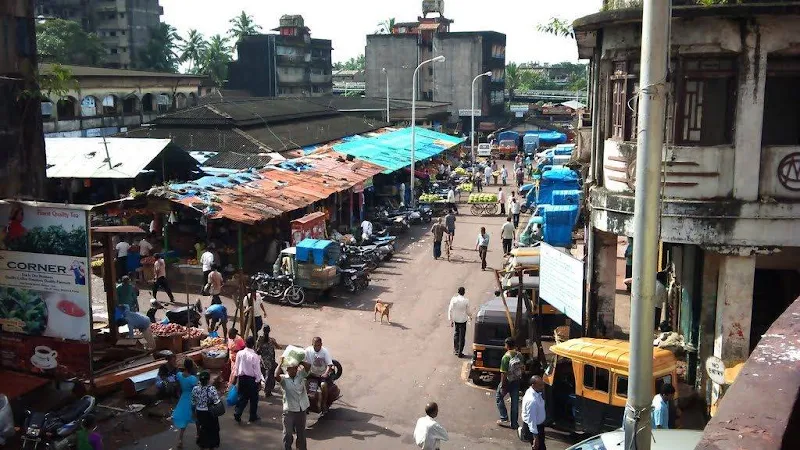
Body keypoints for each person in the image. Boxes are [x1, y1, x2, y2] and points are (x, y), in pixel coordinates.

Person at [276, 356, 312, 450]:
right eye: (292, 369)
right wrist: (280, 363)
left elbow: (308, 367)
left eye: (296, 368)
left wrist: (300, 361)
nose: (295, 370)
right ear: (287, 369)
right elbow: (276, 375)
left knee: (301, 435)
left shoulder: (300, 375)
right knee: (287, 435)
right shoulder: (284, 379)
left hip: (301, 410)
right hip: (289, 412)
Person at [233, 336, 263, 424]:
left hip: (241, 378)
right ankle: (252, 416)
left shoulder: (239, 353)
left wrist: (235, 377)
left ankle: (238, 412)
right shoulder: (255, 356)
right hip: (251, 380)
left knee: (242, 397)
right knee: (254, 398)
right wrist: (259, 381)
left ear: (245, 343)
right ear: (253, 345)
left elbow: (236, 366)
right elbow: (257, 371)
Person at [304, 336, 335, 415]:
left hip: (322, 375)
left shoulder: (325, 351)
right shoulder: (308, 350)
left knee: (323, 385)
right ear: (312, 344)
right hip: (311, 373)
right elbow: (302, 359)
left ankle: (324, 404)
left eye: (318, 345)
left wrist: (325, 373)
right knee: (304, 385)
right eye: (315, 345)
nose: (316, 347)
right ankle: (306, 405)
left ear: (321, 344)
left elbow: (329, 364)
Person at [497, 338, 523, 430]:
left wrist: (503, 386)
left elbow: (503, 373)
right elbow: (522, 368)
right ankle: (514, 423)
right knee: (515, 403)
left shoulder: (506, 357)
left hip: (507, 381)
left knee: (499, 397)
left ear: (507, 345)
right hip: (516, 381)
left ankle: (504, 418)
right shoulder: (519, 355)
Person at [192, 371, 221, 450]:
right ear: (208, 379)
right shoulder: (211, 389)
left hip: (199, 412)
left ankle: (203, 444)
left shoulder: (195, 389)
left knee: (203, 428)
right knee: (213, 429)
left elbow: (193, 402)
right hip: (210, 412)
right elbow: (216, 401)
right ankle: (212, 446)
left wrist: (193, 413)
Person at [173, 359, 198, 448]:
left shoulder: (179, 375)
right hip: (191, 398)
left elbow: (177, 384)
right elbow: (196, 390)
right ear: (191, 367)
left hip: (183, 397)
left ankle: (180, 439)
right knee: (196, 417)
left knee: (184, 420)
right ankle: (198, 435)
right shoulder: (193, 379)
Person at [521, 376, 547, 450]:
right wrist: (535, 438)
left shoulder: (533, 391)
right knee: (539, 447)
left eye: (542, 384)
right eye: (540, 385)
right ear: (533, 385)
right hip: (534, 429)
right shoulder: (532, 401)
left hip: (538, 426)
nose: (542, 387)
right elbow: (531, 421)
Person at [448, 287, 471, 357]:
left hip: (456, 319)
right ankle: (460, 352)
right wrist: (471, 316)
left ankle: (456, 349)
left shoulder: (454, 299)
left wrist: (451, 319)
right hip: (463, 320)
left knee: (456, 334)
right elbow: (468, 311)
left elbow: (450, 309)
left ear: (458, 292)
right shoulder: (466, 300)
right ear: (464, 292)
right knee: (462, 336)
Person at [256, 324, 278, 397]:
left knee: (265, 375)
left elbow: (258, 351)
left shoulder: (260, 339)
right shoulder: (272, 340)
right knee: (270, 376)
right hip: (271, 361)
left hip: (263, 361)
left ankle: (265, 388)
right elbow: (278, 347)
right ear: (269, 331)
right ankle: (267, 391)